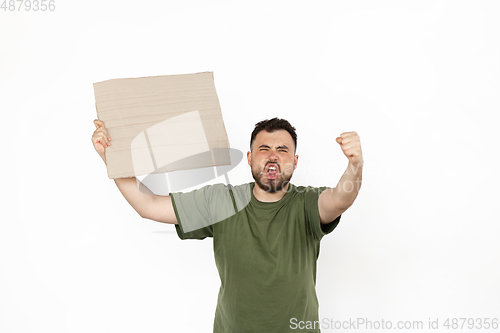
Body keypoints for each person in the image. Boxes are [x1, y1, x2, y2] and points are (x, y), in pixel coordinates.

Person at [91, 117, 363, 332]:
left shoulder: (307, 203)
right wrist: (110, 158)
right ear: (249, 158)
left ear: (295, 161)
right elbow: (148, 205)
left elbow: (340, 199)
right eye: (264, 148)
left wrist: (355, 165)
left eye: (283, 150)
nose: (273, 156)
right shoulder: (221, 201)